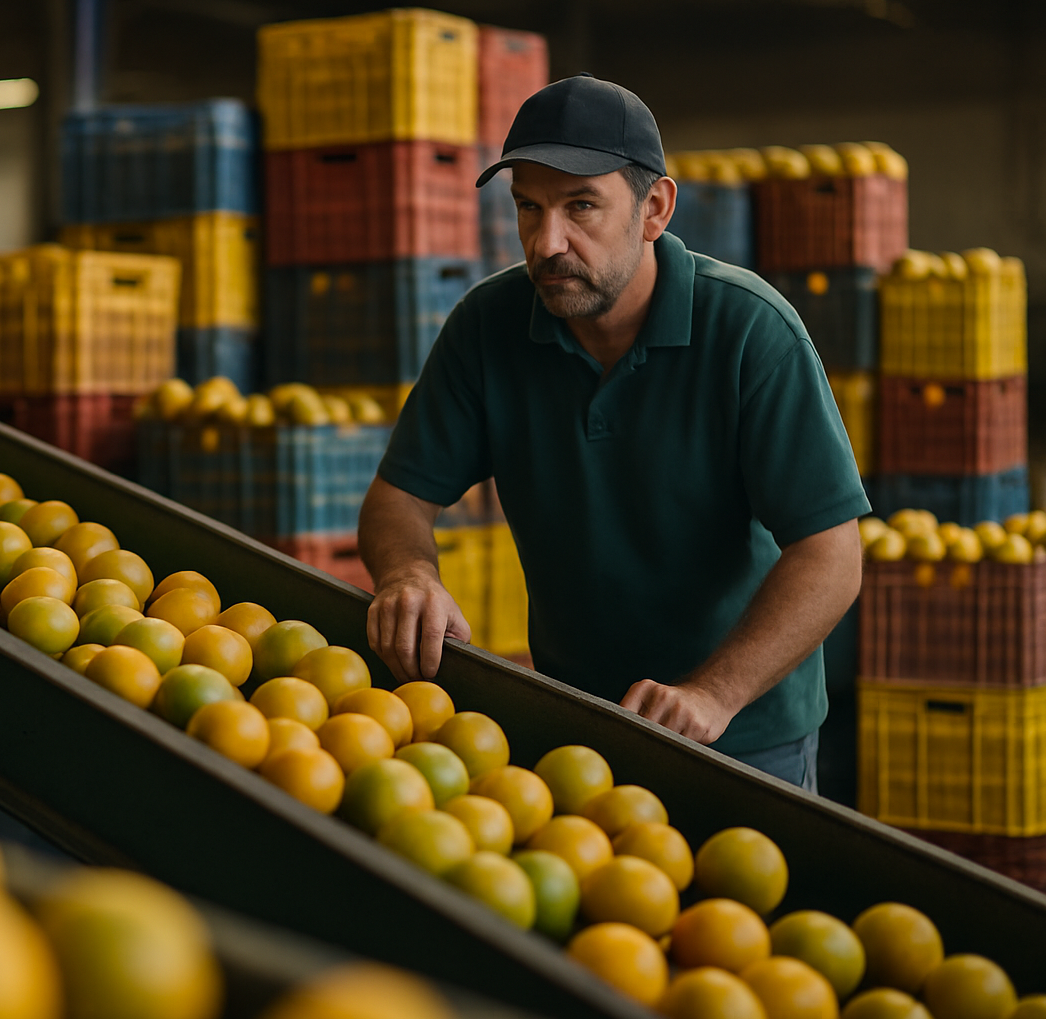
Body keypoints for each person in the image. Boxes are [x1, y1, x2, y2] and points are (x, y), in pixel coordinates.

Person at [358, 74, 867, 790]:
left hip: (744, 740)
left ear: (654, 209)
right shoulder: (488, 327)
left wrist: (712, 695)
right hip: (575, 729)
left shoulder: (751, 332)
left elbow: (832, 553)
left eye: (581, 207)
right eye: (528, 209)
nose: (548, 242)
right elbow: (398, 498)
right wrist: (410, 574)